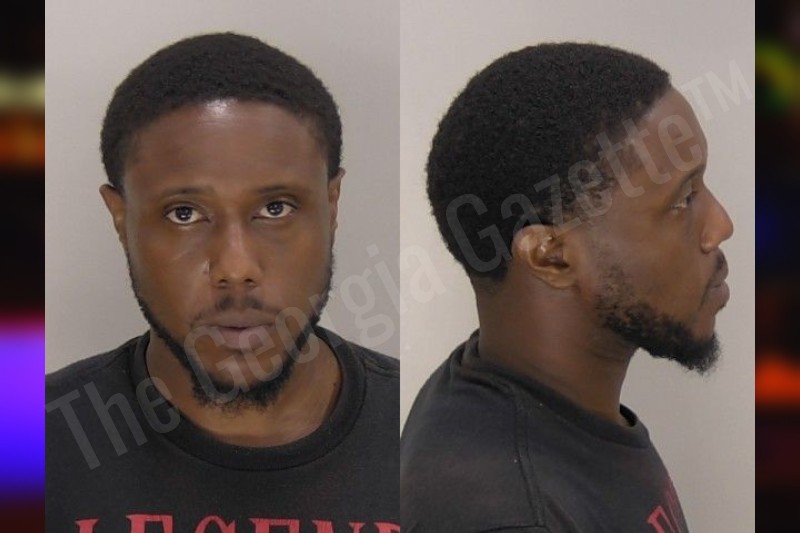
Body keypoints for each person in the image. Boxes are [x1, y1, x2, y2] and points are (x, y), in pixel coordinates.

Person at [46, 33, 399, 532]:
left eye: (275, 208)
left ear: (332, 204)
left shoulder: (423, 437)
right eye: (184, 213)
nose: (236, 267)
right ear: (120, 218)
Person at [401, 43, 733, 532]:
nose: (720, 226)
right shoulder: (511, 514)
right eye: (683, 199)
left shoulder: (510, 387)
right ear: (550, 255)